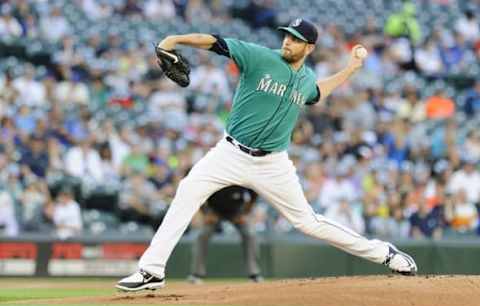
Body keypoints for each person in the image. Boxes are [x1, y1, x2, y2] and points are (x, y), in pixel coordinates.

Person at [116, 18, 417, 292]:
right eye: (286, 35)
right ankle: (151, 270)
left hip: (273, 163)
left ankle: (384, 253)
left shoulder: (305, 78)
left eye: (296, 39)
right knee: (187, 192)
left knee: (308, 222)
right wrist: (175, 39)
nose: (287, 41)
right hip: (229, 153)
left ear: (309, 48)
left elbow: (318, 92)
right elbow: (215, 41)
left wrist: (350, 69)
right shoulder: (259, 56)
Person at [188, 186, 262, 284]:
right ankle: (196, 274)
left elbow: (254, 193)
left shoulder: (240, 176)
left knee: (250, 234)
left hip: (236, 211)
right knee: (202, 235)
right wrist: (206, 213)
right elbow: (198, 193)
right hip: (214, 210)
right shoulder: (215, 174)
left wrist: (244, 213)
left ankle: (254, 274)